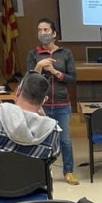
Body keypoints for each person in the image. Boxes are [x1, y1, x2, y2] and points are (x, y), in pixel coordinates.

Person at [27, 17, 78, 185]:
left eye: (46, 30)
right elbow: (29, 80)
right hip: (41, 105)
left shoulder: (65, 53)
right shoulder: (33, 54)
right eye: (39, 30)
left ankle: (68, 171)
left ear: (54, 33)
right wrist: (39, 67)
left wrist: (55, 72)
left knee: (64, 140)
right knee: (41, 139)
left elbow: (72, 79)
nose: (42, 33)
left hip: (62, 104)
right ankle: (42, 172)